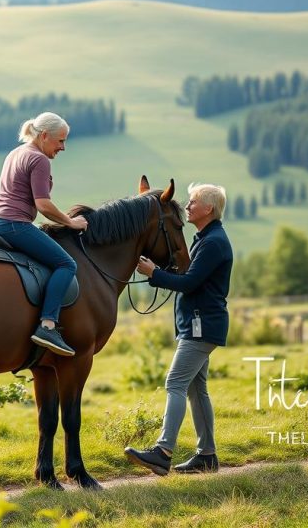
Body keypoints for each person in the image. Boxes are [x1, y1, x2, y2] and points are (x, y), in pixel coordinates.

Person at [124, 183, 233, 475]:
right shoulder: (206, 238)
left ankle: (163, 451)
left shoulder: (212, 243)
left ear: (208, 208)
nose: (187, 205)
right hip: (198, 324)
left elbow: (189, 283)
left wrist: (154, 274)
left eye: (193, 201)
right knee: (197, 390)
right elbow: (188, 275)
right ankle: (207, 456)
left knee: (175, 383)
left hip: (200, 326)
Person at [0, 112, 88, 357]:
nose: (63, 147)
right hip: (13, 224)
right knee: (66, 263)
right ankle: (48, 325)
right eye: (60, 141)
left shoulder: (15, 153)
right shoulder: (39, 159)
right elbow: (43, 205)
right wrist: (71, 223)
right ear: (43, 136)